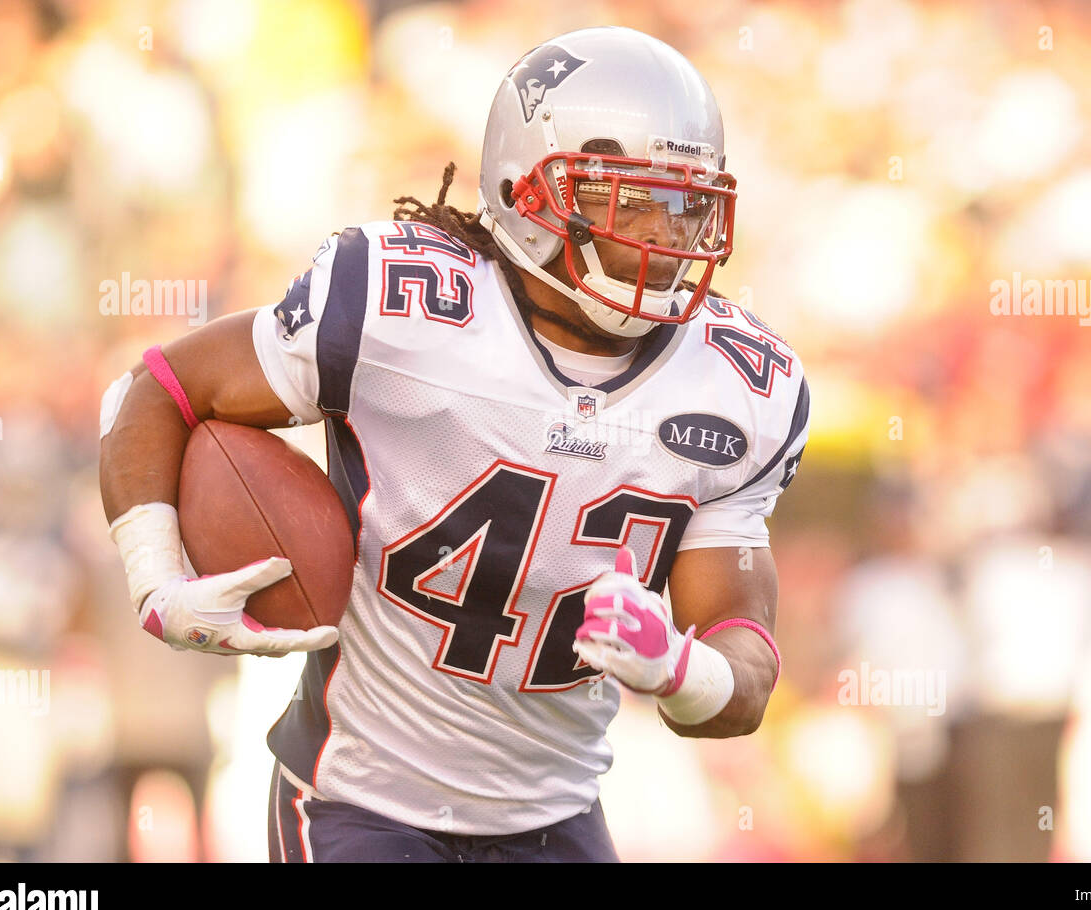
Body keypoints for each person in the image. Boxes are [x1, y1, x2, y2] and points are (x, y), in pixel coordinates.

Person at [98, 26, 809, 863]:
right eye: (631, 198)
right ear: (530, 192)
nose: (666, 235)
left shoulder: (742, 388)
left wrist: (680, 669)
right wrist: (157, 580)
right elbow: (162, 390)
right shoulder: (399, 310)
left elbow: (745, 669)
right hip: (360, 798)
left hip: (555, 815)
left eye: (687, 202)